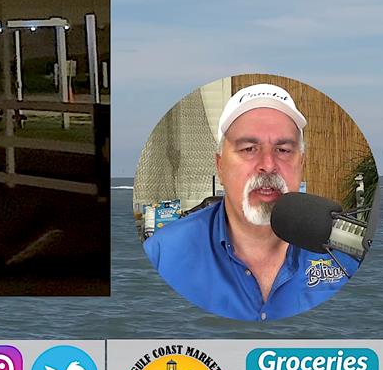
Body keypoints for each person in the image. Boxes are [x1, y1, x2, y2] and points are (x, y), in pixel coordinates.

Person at [144, 83, 359, 321]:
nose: (268, 164)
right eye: (248, 149)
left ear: (302, 165)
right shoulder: (162, 254)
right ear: (220, 167)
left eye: (284, 150)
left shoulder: (348, 252)